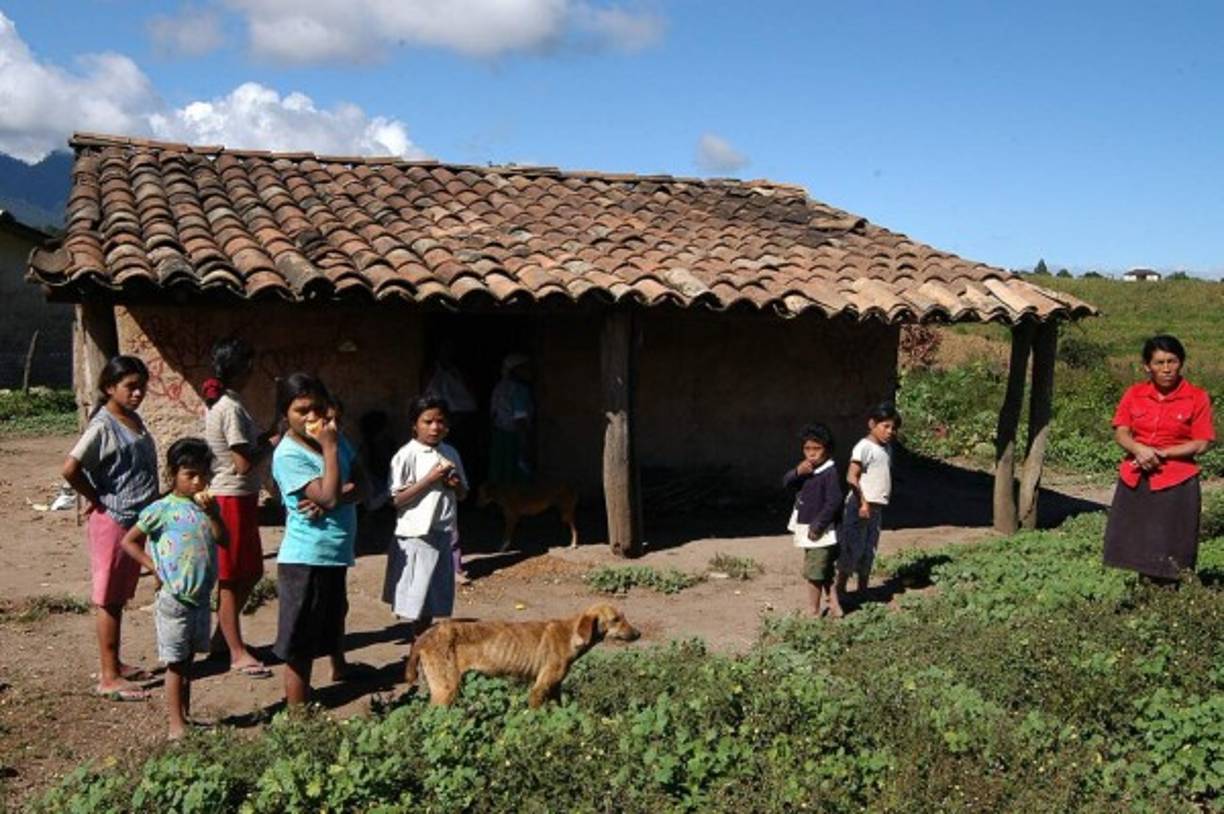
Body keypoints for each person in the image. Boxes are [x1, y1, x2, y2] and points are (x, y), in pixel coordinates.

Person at [61, 355, 159, 701]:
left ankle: (115, 663)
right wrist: (97, 498)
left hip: (135, 519)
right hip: (114, 520)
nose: (138, 394)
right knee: (108, 599)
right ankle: (108, 676)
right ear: (109, 388)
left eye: (141, 387)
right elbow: (70, 468)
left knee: (119, 598)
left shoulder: (131, 418)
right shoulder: (103, 426)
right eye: (130, 387)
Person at [118, 438, 227, 739]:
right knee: (176, 664)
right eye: (189, 475)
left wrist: (215, 513)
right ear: (172, 473)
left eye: (203, 475)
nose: (198, 481)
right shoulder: (161, 509)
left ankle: (186, 715)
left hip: (201, 598)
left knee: (189, 661)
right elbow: (128, 541)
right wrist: (153, 566)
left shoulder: (206, 508)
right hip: (174, 597)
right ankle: (175, 726)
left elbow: (224, 541)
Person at [270, 373, 366, 706]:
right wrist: (330, 451)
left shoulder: (338, 441)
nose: (312, 418)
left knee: (333, 617)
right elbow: (327, 498)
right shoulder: (289, 455)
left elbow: (364, 485)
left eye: (318, 408)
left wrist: (339, 492)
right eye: (302, 411)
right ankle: (298, 715)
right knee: (301, 641)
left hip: (335, 552)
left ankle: (339, 670)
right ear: (286, 415)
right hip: (305, 558)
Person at [1103, 335, 1215, 582]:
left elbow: (1202, 442)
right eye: (1159, 362)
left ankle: (1168, 602)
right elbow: (1121, 431)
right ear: (1147, 366)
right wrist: (1138, 449)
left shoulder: (1197, 397)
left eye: (1172, 361)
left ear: (1181, 362)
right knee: (1139, 544)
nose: (1166, 369)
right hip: (1136, 476)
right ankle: (1145, 596)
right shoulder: (1134, 394)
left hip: (1177, 481)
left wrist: (1163, 453)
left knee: (1172, 546)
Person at [201, 337, 275, 678]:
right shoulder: (229, 409)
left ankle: (222, 639)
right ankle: (235, 650)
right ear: (243, 368)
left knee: (250, 572)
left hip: (240, 496)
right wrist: (272, 445)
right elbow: (242, 463)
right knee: (233, 578)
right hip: (231, 495)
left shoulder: (230, 403)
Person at [382, 396, 469, 638]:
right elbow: (397, 500)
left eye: (440, 421)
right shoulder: (406, 455)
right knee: (417, 601)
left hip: (442, 533)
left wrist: (455, 484)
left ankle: (420, 651)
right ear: (414, 424)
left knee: (432, 600)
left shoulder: (450, 452)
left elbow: (462, 494)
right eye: (427, 421)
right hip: (415, 535)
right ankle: (417, 651)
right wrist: (429, 480)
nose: (434, 427)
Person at [836, 402, 901, 598]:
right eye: (886, 426)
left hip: (876, 509)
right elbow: (851, 477)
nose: (890, 431)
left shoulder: (886, 449)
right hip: (859, 506)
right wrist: (862, 502)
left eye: (894, 428)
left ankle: (863, 589)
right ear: (872, 424)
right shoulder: (864, 447)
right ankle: (840, 589)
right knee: (852, 547)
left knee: (869, 548)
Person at [784, 423, 844, 618]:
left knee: (814, 572)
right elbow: (786, 482)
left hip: (821, 531)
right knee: (824, 569)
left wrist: (818, 525)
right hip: (810, 528)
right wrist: (797, 472)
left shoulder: (829, 473)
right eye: (807, 449)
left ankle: (813, 611)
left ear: (827, 449)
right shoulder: (808, 470)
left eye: (817, 449)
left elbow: (834, 502)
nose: (811, 453)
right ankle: (835, 606)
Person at [488, 353, 533, 485]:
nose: (529, 371)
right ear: (515, 370)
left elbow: (493, 415)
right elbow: (520, 420)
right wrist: (525, 443)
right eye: (525, 368)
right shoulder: (519, 390)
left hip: (499, 436)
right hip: (514, 437)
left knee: (500, 473)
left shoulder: (499, 387)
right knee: (516, 475)